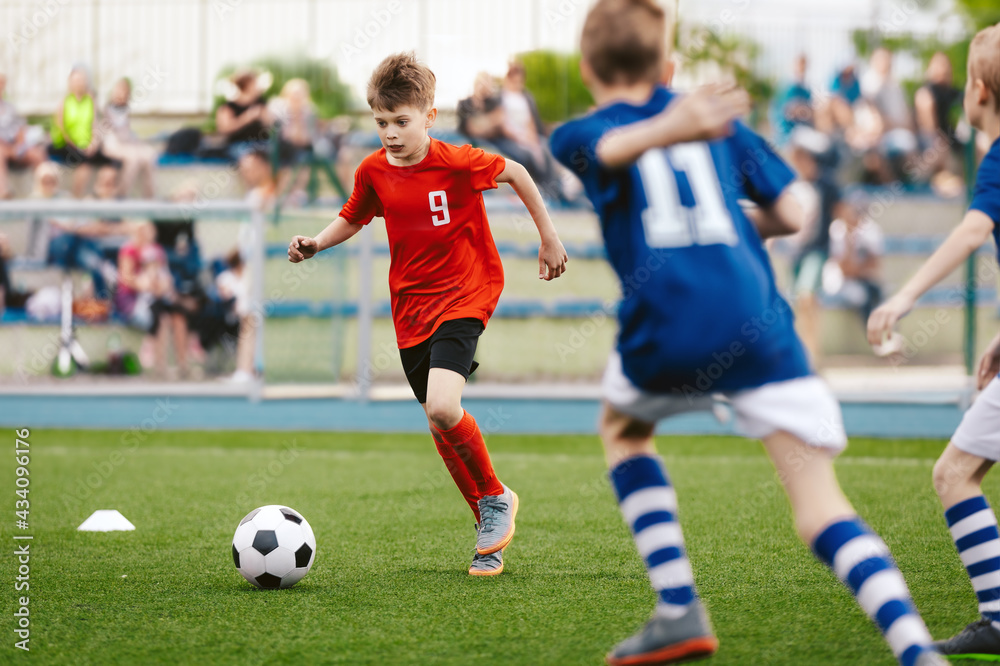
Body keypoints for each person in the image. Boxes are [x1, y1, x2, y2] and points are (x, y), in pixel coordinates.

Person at [549, 1, 944, 664]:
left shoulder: (580, 132)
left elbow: (606, 150)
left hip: (667, 332)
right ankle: (917, 652)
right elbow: (795, 209)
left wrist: (665, 129)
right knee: (821, 508)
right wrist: (694, 146)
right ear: (667, 65)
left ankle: (678, 607)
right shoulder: (716, 124)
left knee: (623, 430)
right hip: (760, 332)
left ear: (587, 68)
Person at [287, 52, 568, 576]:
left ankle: (495, 498)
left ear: (429, 117)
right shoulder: (372, 169)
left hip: (466, 291)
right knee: (439, 425)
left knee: (443, 406)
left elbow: (520, 172)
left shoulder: (458, 161)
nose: (390, 133)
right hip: (410, 308)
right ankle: (490, 528)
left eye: (401, 121)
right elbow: (354, 216)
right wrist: (316, 243)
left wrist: (549, 237)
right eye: (381, 123)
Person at [868, 23, 1000, 661]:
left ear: (975, 90)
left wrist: (902, 297)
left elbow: (974, 230)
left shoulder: (997, 160)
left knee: (954, 474)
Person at [116, 221, 187, 377]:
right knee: (162, 318)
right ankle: (159, 366)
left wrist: (160, 287)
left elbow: (165, 278)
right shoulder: (129, 250)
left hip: (157, 298)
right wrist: (149, 286)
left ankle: (182, 366)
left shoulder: (156, 251)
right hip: (135, 300)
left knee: (178, 316)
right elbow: (127, 278)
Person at [49, 65, 112, 197]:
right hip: (67, 144)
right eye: (76, 80)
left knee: (110, 161)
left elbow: (95, 125)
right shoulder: (64, 102)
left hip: (86, 144)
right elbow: (62, 130)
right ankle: (77, 198)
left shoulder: (90, 101)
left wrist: (93, 142)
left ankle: (102, 195)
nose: (79, 83)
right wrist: (78, 146)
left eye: (82, 80)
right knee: (84, 161)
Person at [823, 192, 884, 325]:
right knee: (861, 296)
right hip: (839, 281)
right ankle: (874, 334)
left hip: (864, 280)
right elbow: (845, 270)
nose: (855, 215)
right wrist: (849, 238)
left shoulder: (871, 229)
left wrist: (859, 270)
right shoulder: (837, 229)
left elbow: (874, 267)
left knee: (879, 294)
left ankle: (886, 334)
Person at [100, 78, 157, 198]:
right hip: (113, 143)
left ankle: (149, 197)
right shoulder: (106, 109)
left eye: (125, 92)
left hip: (126, 143)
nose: (121, 95)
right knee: (133, 158)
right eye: (119, 91)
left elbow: (128, 134)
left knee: (150, 155)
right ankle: (122, 195)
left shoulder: (126, 110)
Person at [0, 73, 46, 199]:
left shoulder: (10, 107)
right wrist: (8, 149)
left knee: (38, 154)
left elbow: (21, 128)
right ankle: (3, 191)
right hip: (2, 148)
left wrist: (19, 145)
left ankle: (45, 191)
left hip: (14, 146)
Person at [215, 69, 271, 159]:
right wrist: (247, 117)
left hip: (263, 143)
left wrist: (265, 117)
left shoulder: (261, 103)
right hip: (239, 144)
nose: (258, 86)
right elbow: (224, 129)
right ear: (246, 85)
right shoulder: (228, 107)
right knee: (252, 157)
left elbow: (271, 125)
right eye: (255, 83)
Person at [771, 54, 813, 146]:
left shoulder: (805, 89)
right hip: (788, 134)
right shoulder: (786, 87)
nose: (802, 68)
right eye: (799, 65)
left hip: (802, 129)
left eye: (804, 66)